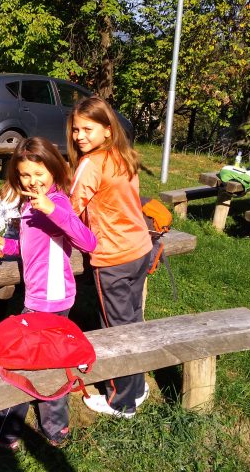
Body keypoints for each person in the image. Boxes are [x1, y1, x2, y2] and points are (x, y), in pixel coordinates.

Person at [0, 137, 96, 449]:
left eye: (39, 174)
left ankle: (8, 429)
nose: (32, 181)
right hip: (39, 295)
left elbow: (88, 242)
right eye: (25, 174)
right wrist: (8, 246)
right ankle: (55, 427)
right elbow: (34, 245)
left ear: (54, 170)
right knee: (46, 359)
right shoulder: (29, 203)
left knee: (24, 361)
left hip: (49, 299)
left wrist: (53, 210)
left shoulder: (57, 202)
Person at [67, 95, 153, 419]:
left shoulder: (92, 163)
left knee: (115, 329)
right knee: (132, 320)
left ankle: (121, 402)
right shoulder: (123, 156)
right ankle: (138, 386)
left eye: (87, 129)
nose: (79, 136)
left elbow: (70, 209)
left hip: (113, 258)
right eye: (76, 129)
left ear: (107, 129)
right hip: (140, 249)